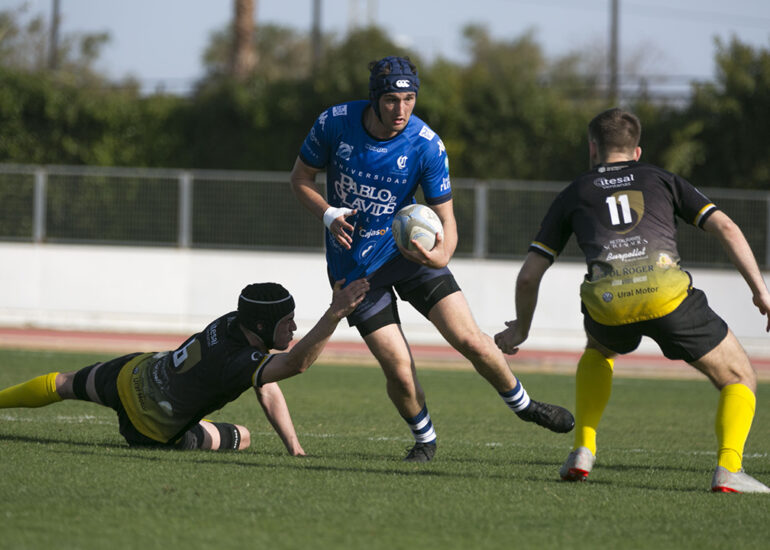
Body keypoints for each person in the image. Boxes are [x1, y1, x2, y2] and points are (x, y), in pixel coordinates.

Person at [289, 55, 574, 462]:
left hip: (409, 256)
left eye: (409, 99)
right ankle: (425, 440)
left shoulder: (426, 145)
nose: (401, 109)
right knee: (399, 369)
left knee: (470, 340)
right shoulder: (334, 123)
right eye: (391, 100)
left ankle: (525, 406)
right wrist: (328, 214)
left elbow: (447, 220)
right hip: (355, 270)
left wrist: (441, 255)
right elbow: (300, 178)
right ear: (374, 98)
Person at [494, 107, 770, 493]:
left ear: (593, 149)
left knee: (599, 350)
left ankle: (583, 449)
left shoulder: (574, 192)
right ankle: (728, 469)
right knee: (740, 377)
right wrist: (760, 290)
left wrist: (521, 329)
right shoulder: (661, 178)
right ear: (637, 151)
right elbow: (725, 225)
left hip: (608, 303)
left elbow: (528, 276)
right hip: (667, 297)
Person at [0, 279, 369, 454]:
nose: (293, 327)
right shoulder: (236, 361)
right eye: (287, 322)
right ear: (260, 325)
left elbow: (265, 381)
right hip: (148, 428)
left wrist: (294, 446)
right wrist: (334, 314)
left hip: (129, 375)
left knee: (63, 383)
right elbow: (295, 364)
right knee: (243, 436)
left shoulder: (231, 322)